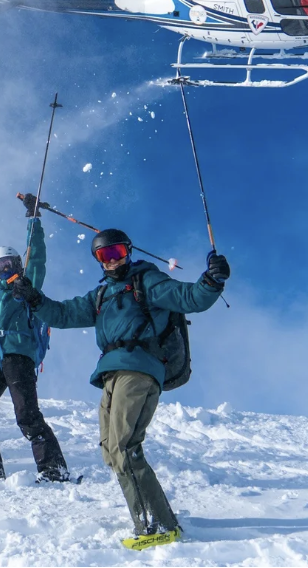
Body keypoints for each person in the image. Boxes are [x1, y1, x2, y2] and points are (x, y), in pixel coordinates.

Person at [12, 229, 229, 545]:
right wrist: (34, 298)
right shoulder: (100, 296)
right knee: (112, 451)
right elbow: (61, 313)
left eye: (117, 254)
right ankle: (155, 515)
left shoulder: (147, 282)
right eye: (104, 256)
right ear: (99, 261)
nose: (112, 262)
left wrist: (213, 280)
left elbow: (190, 297)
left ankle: (157, 526)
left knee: (125, 447)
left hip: (140, 370)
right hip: (111, 375)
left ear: (129, 252)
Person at [0, 197, 69, 482]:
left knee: (27, 415)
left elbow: (39, 257)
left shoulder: (26, 284)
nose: (5, 269)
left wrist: (34, 219)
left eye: (10, 263)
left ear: (19, 264)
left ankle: (53, 469)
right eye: (0, 266)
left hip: (19, 355)